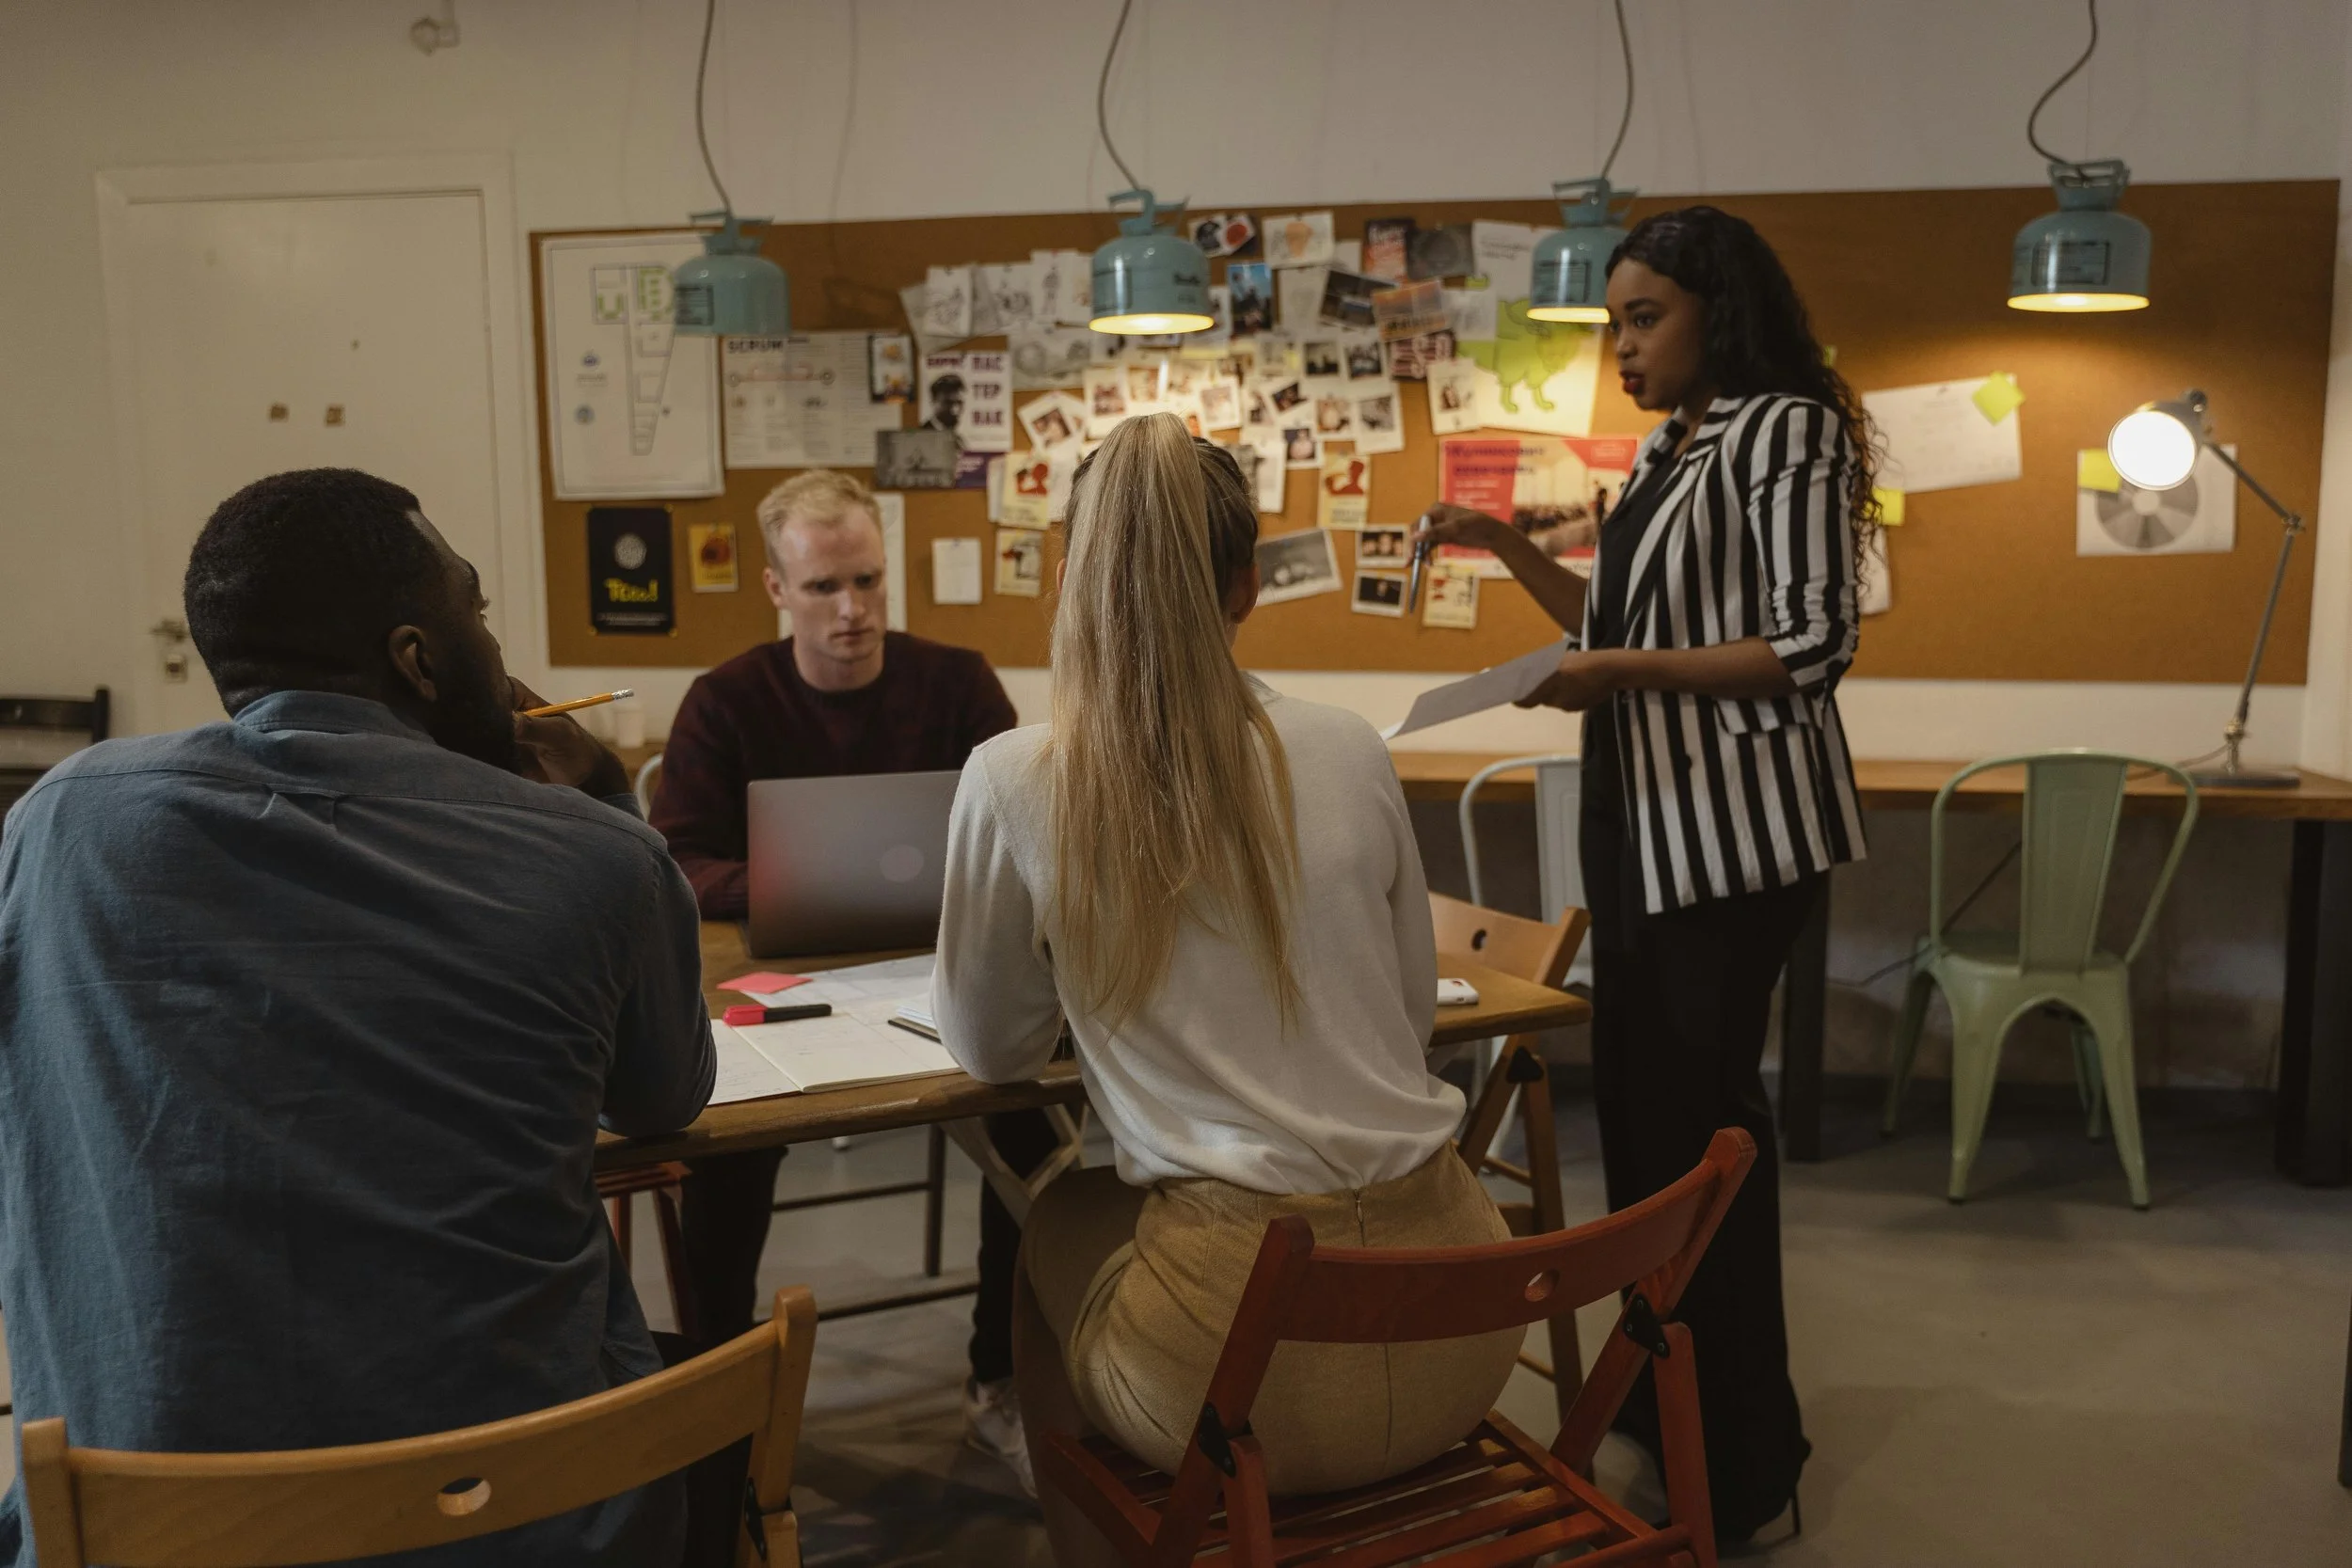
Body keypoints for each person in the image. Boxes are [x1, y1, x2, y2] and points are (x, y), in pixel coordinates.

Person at [0, 468, 714, 1566]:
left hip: (150, 1522)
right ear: (417, 658)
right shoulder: (597, 859)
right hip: (536, 1511)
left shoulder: (61, 826)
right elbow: (664, 1097)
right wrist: (601, 791)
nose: (492, 638)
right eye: (473, 608)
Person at [931, 416, 1516, 1564]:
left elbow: (991, 1053)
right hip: (1461, 1312)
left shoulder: (1013, 777)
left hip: (1243, 1372)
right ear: (1249, 585)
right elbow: (1410, 1023)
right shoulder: (1349, 746)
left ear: (1071, 582)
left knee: (1053, 1220)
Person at [1412, 205, 1872, 1544]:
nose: (1622, 344)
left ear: (1718, 310)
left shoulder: (1785, 427)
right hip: (1642, 818)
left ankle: (1745, 1455)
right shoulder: (1674, 445)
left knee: (1706, 1138)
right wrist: (1507, 553)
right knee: (1649, 1131)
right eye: (1616, 319)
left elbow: (1812, 643)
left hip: (1729, 836)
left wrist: (1610, 676)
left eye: (1643, 316)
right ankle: (1662, 1399)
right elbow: (1615, 622)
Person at [647, 468, 1044, 1485]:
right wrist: (797, 880)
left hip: (937, 971)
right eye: (823, 586)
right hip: (778, 982)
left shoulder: (957, 680)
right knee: (723, 1147)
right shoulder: (725, 700)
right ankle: (717, 1403)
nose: (854, 609)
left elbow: (1019, 830)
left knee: (1036, 1121)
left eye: (867, 579)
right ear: (777, 587)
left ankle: (1000, 1379)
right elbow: (676, 864)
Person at [923, 372, 966, 436]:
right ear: (933, 401)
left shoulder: (957, 437)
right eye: (948, 403)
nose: (955, 410)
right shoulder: (923, 434)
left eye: (959, 403)